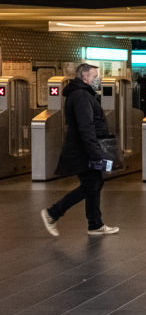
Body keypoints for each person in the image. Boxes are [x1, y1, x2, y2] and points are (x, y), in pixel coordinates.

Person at [40, 63, 119, 236]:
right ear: (84, 76)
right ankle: (53, 213)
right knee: (91, 185)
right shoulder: (81, 95)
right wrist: (96, 153)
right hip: (84, 150)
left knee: (96, 183)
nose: (97, 79)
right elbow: (86, 126)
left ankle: (95, 224)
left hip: (86, 149)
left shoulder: (82, 94)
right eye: (94, 75)